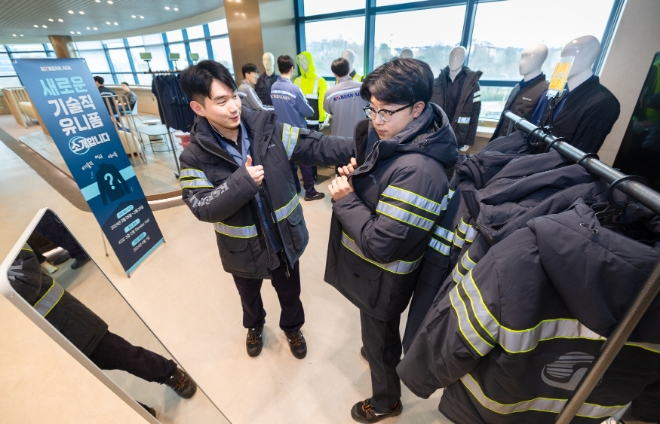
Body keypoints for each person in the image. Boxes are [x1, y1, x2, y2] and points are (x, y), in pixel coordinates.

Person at [177, 60, 353, 358]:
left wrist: (364, 144)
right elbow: (202, 207)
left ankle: (293, 327)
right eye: (221, 101)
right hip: (242, 248)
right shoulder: (194, 157)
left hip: (283, 239)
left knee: (290, 292)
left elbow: (317, 145)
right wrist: (241, 182)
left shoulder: (266, 128)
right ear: (199, 108)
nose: (233, 107)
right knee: (249, 296)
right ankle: (255, 325)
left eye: (233, 96)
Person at [325, 58, 457, 422]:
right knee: (378, 335)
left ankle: (386, 401)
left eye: (386, 112)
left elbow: (381, 245)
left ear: (418, 109)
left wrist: (345, 199)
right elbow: (384, 191)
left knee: (380, 339)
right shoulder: (402, 139)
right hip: (376, 277)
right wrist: (360, 176)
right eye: (373, 110)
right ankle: (380, 357)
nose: (376, 121)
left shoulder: (420, 170)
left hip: (385, 280)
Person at [9, 244, 198, 410]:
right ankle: (135, 413)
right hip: (33, 349)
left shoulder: (7, 237)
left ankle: (169, 373)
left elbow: (27, 283)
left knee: (122, 354)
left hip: (69, 322)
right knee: (88, 388)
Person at [270, 55, 324, 201]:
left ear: (278, 68)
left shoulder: (274, 87)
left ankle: (295, 188)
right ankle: (310, 192)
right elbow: (308, 111)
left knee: (290, 163)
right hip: (297, 132)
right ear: (292, 69)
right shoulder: (294, 89)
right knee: (305, 163)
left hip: (281, 131)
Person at [324, 58, 365, 139]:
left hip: (339, 138)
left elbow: (328, 111)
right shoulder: (363, 88)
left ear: (334, 74)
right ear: (349, 70)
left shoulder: (329, 93)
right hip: (360, 136)